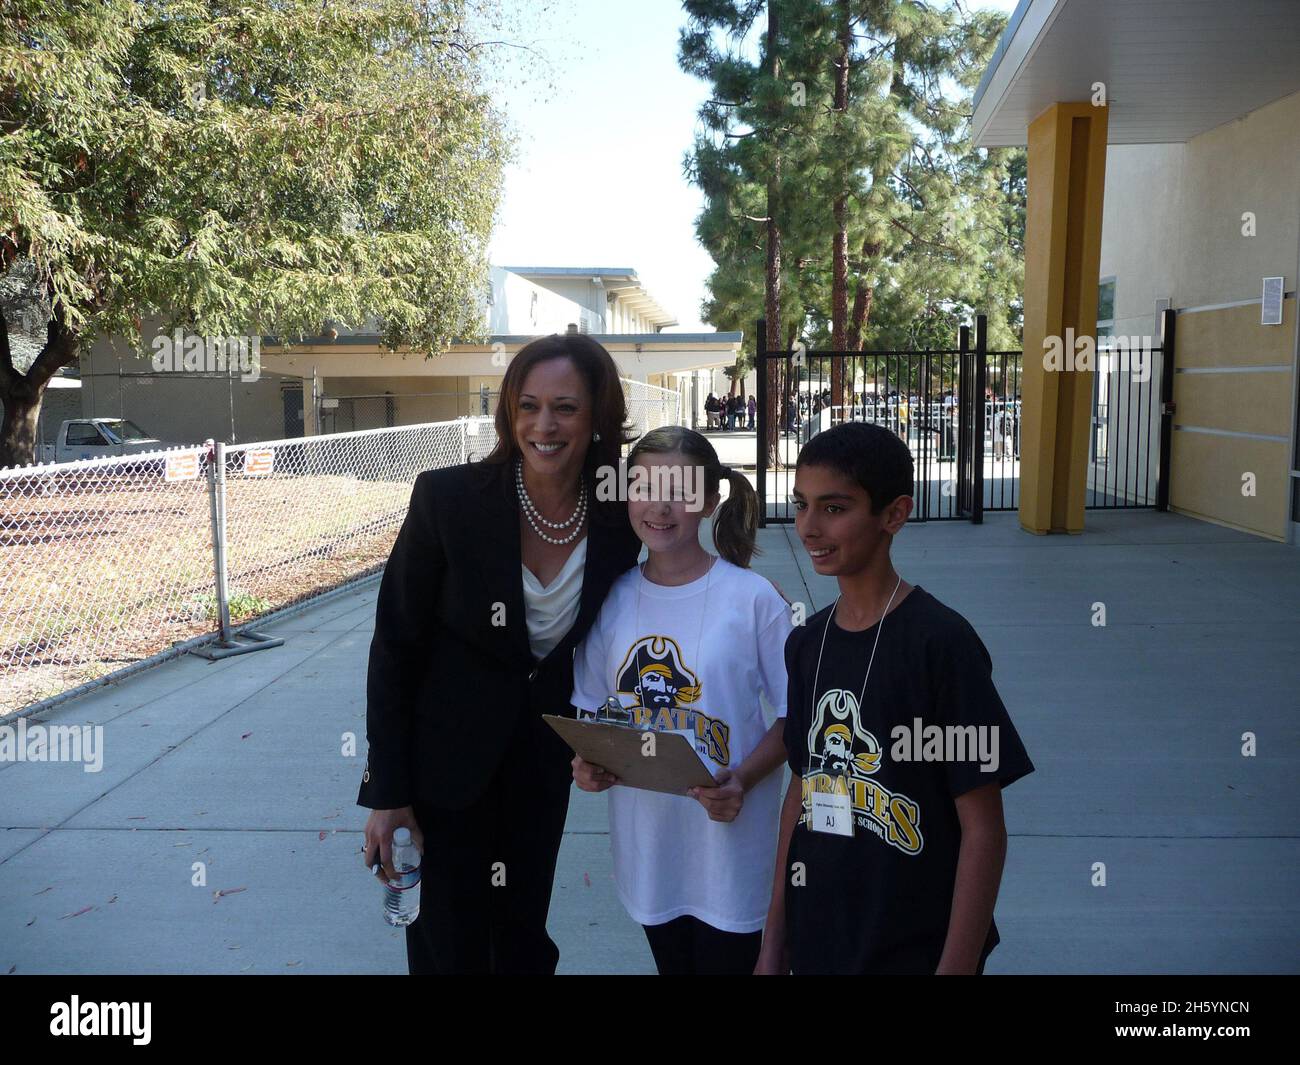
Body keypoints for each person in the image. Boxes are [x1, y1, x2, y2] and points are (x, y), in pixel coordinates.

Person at [358, 333, 642, 974]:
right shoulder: (448, 501)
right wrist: (388, 793)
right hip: (443, 770)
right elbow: (395, 647)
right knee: (447, 945)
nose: (545, 425)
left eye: (566, 408)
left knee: (521, 936)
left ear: (597, 416)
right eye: (528, 406)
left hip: (543, 766)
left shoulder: (622, 514)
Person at [756, 421, 1034, 975]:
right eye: (801, 504)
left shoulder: (940, 644)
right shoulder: (807, 643)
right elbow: (801, 792)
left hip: (914, 944)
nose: (808, 527)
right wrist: (774, 942)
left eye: (834, 508)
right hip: (821, 937)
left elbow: (983, 827)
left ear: (894, 514)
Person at [570, 426, 793, 975]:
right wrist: (586, 763)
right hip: (650, 850)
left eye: (682, 490)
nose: (661, 506)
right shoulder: (611, 598)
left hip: (731, 847)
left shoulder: (753, 599)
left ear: (710, 501)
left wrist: (742, 778)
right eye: (645, 486)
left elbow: (798, 714)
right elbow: (594, 707)